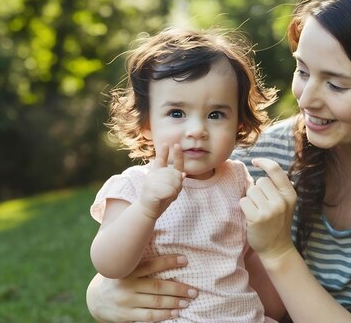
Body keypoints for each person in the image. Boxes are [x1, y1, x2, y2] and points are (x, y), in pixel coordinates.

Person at [85, 0, 351, 322]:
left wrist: (278, 253)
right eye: (302, 71)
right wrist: (100, 294)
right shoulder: (253, 158)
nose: (307, 98)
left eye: (336, 84)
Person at [89, 27, 279, 322]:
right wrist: (146, 208)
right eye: (177, 113)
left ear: (239, 124)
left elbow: (249, 255)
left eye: (216, 114)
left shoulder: (238, 178)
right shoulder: (134, 186)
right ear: (146, 124)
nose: (197, 130)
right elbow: (109, 264)